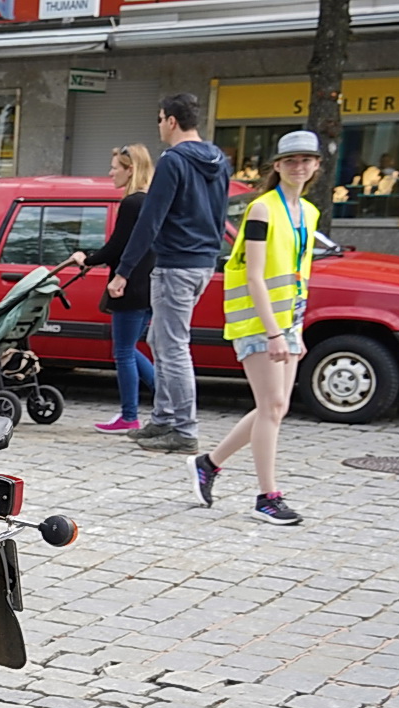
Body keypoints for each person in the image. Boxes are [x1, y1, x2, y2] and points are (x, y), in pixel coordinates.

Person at [191, 131, 321, 527]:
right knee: (271, 407)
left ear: (316, 165)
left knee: (276, 407)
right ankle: (267, 496)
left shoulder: (308, 212)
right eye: (291, 160)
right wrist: (274, 332)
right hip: (259, 322)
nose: (299, 166)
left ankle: (208, 463)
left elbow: (297, 273)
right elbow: (254, 276)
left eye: (306, 160)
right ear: (277, 166)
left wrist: (292, 328)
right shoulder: (263, 209)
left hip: (287, 321)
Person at [110, 93, 229, 454]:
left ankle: (184, 430)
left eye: (160, 118)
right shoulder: (219, 159)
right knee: (159, 340)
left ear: (172, 121)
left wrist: (124, 270)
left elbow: (150, 218)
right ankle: (162, 419)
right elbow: (221, 214)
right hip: (202, 262)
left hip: (176, 263)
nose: (159, 125)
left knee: (173, 346)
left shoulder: (173, 160)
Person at [66, 143, 155, 433]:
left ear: (130, 170)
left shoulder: (131, 204)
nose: (110, 172)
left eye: (115, 167)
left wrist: (87, 259)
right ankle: (166, 397)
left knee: (124, 352)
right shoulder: (152, 201)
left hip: (128, 287)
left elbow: (117, 246)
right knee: (129, 348)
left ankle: (130, 416)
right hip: (148, 286)